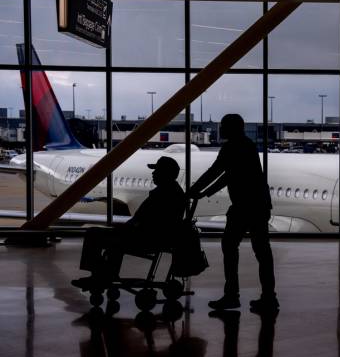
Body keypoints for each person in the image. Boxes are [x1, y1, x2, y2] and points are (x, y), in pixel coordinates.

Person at [188, 113, 277, 311]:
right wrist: (204, 192)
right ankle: (269, 297)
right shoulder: (247, 145)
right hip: (259, 205)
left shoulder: (232, 147)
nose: (220, 129)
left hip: (244, 206)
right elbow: (228, 174)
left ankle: (232, 295)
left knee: (229, 247)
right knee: (262, 251)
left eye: (223, 126)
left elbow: (216, 171)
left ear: (231, 128)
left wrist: (195, 191)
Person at [72, 156, 186, 288]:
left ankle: (99, 275)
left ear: (165, 174)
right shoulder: (175, 193)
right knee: (110, 239)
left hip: (147, 239)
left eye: (157, 170)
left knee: (94, 234)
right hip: (157, 238)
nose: (153, 173)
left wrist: (123, 228)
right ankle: (104, 274)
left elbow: (142, 220)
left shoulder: (161, 195)